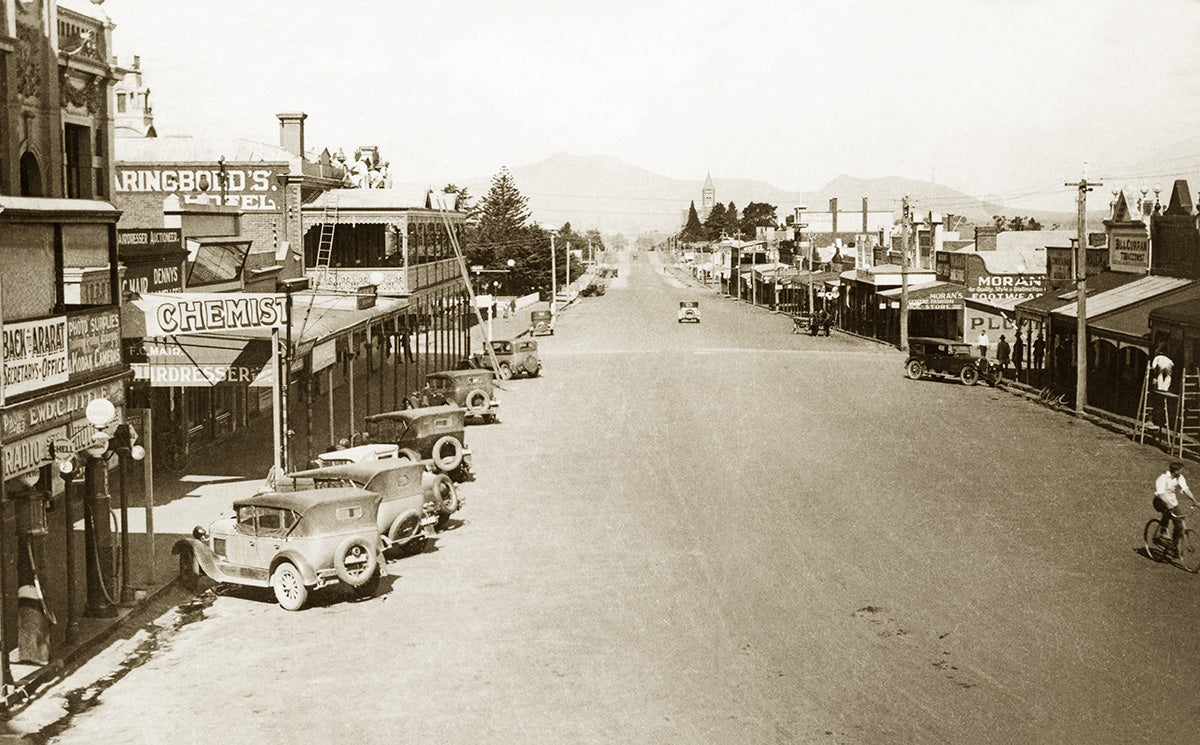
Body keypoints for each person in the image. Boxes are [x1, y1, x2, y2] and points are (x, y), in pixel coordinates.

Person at [1154, 461, 1197, 556]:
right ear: (1176, 471)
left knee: (1180, 524)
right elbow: (1160, 494)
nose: (1182, 472)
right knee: (1171, 516)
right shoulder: (1163, 479)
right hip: (1160, 501)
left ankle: (1173, 545)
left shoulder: (1179, 477)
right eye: (1181, 470)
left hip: (1173, 503)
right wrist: (1168, 503)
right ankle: (1163, 531)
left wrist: (1194, 500)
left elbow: (1186, 489)